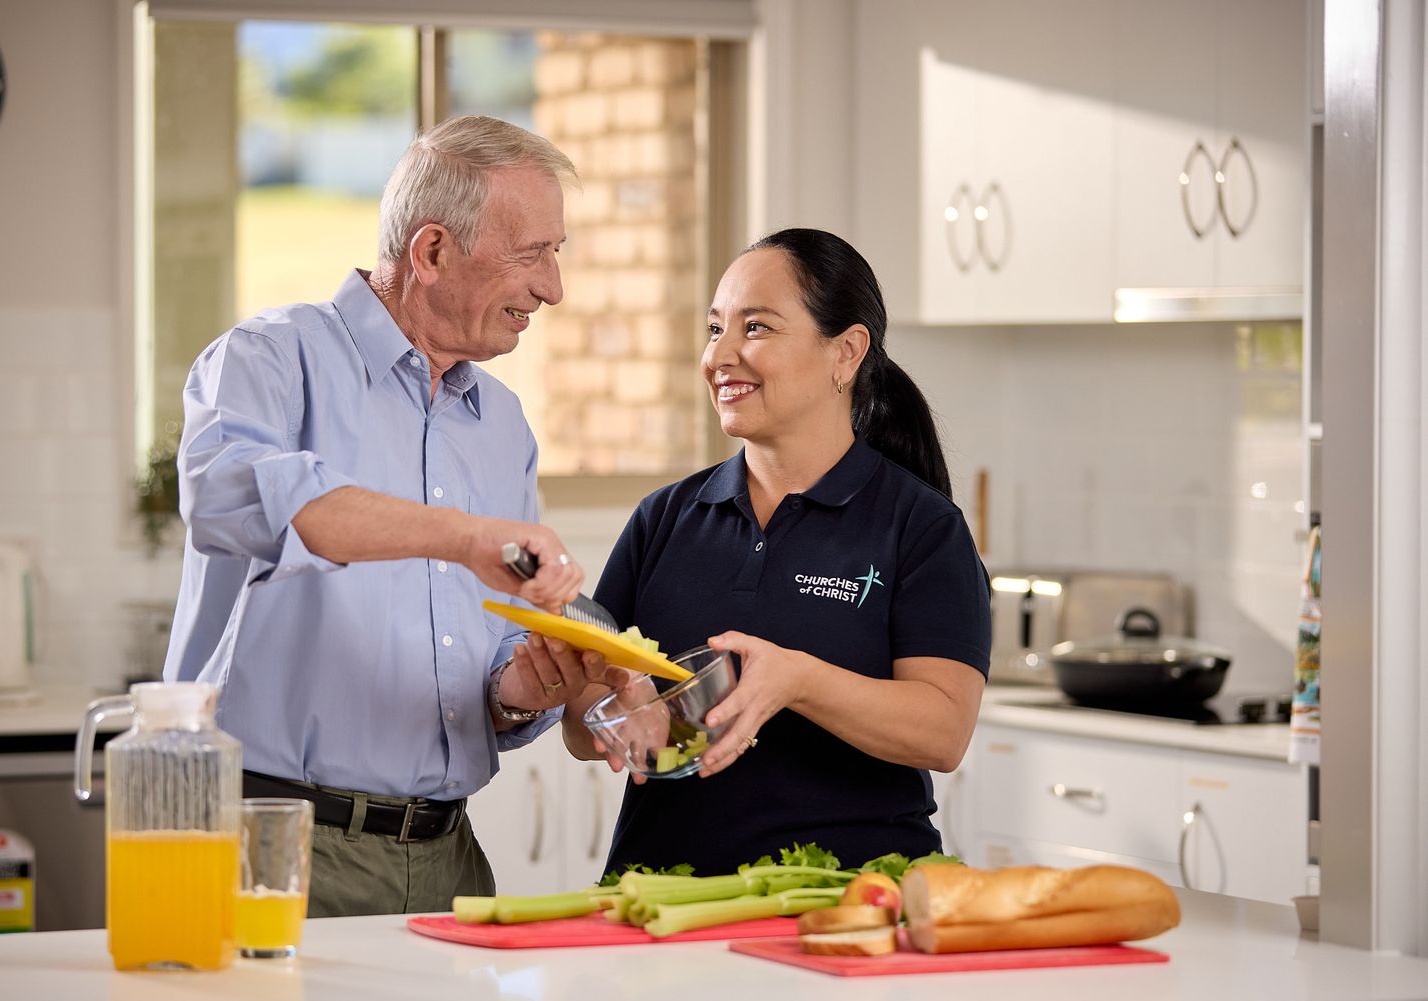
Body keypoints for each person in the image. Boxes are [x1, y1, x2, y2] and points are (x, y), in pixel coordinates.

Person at [163, 116, 625, 917]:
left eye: (556, 253)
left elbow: (494, 659)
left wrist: (522, 689)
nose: (552, 288)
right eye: (531, 255)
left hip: (447, 859)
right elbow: (236, 499)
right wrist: (465, 537)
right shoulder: (269, 360)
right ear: (432, 251)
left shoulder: (501, 423)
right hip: (266, 841)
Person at [562, 228, 991, 876]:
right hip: (661, 903)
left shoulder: (921, 528)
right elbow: (582, 723)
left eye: (755, 327)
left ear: (845, 353)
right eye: (714, 329)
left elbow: (943, 732)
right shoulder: (664, 517)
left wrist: (798, 681)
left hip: (844, 905)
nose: (719, 355)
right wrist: (613, 712)